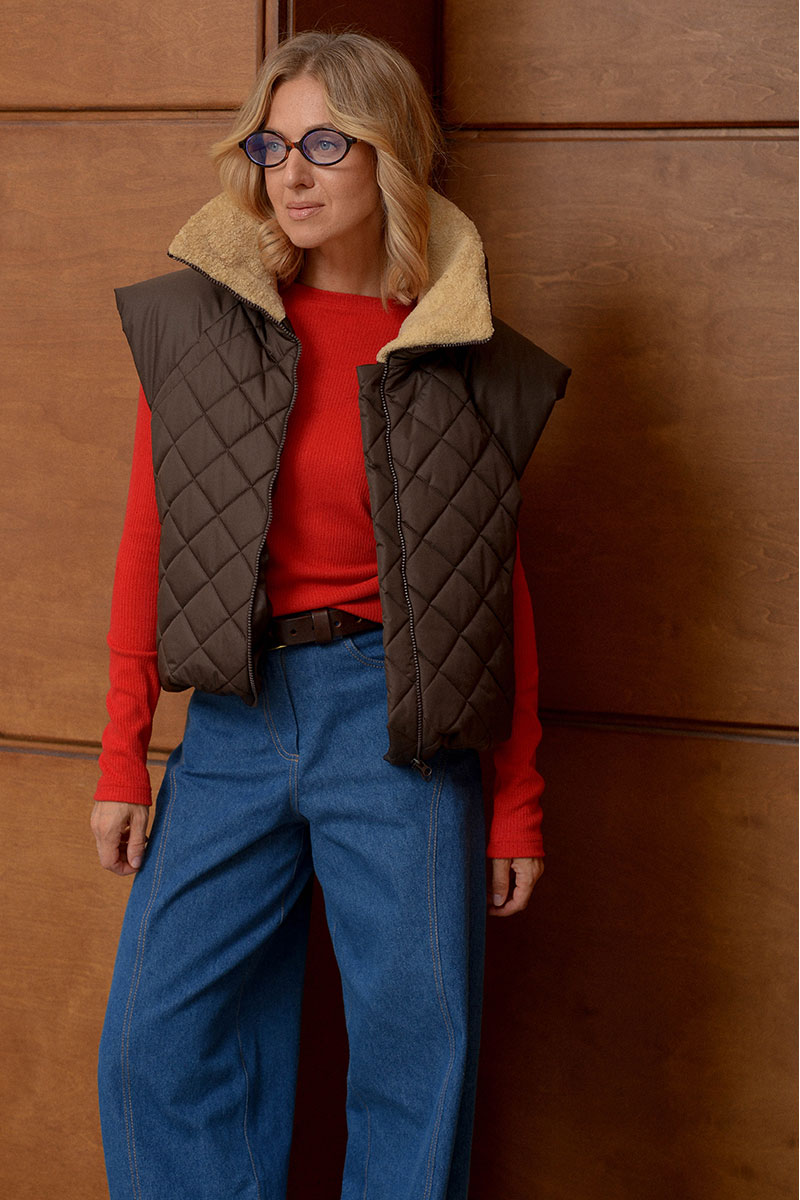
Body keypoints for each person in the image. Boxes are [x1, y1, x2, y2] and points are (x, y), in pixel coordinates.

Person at [91, 28, 571, 1200]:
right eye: (271, 146)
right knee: (158, 1043)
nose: (289, 175)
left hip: (398, 727)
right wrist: (121, 749)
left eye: (323, 144)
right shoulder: (206, 329)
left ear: (388, 157)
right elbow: (151, 538)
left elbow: (492, 592)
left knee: (416, 1063)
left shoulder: (458, 354)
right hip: (237, 718)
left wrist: (515, 798)